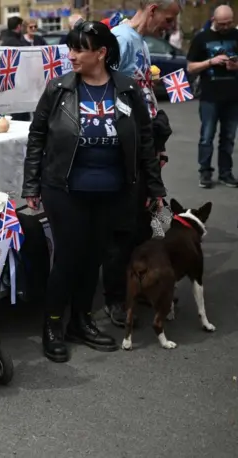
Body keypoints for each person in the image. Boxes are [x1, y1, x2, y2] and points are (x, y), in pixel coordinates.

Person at [21, 21, 166, 363]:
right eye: (70, 48)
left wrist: (155, 187)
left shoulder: (128, 90)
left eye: (79, 49)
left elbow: (145, 141)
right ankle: (53, 325)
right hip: (64, 188)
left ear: (100, 53)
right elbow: (37, 136)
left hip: (113, 190)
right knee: (69, 258)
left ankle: (81, 321)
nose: (70, 55)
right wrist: (31, 184)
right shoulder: (59, 89)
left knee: (93, 259)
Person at [100, 0, 180, 327]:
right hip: (126, 150)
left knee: (144, 225)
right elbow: (109, 93)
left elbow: (138, 92)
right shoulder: (121, 38)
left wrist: (155, 146)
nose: (171, 26)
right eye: (169, 18)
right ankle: (116, 298)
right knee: (124, 228)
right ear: (153, 8)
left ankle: (139, 287)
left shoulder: (139, 43)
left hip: (145, 145)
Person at [186, 5, 238, 189]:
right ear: (214, 20)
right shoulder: (202, 38)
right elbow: (190, 67)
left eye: (229, 23)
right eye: (222, 24)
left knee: (229, 137)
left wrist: (235, 65)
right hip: (210, 96)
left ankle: (226, 173)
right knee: (207, 136)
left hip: (233, 97)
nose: (226, 27)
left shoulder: (235, 35)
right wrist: (211, 62)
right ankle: (205, 173)